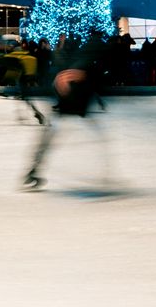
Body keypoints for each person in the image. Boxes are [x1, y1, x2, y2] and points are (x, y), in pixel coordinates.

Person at [22, 28, 113, 190]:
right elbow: (72, 73)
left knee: (52, 133)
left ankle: (34, 169)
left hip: (75, 98)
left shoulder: (90, 53)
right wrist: (67, 86)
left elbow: (72, 71)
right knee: (54, 132)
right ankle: (34, 169)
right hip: (75, 98)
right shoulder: (94, 53)